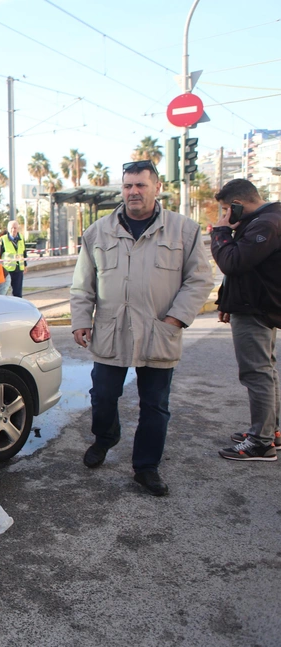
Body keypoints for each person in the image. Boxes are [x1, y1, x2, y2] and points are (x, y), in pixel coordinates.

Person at [71, 160, 214, 496]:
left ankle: (146, 467)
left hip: (158, 331)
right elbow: (82, 283)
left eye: (140, 185)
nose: (133, 192)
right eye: (127, 186)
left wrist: (176, 318)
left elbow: (200, 279)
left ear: (157, 187)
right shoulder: (98, 231)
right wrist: (80, 320)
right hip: (110, 330)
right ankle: (106, 437)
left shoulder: (184, 230)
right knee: (103, 396)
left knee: (155, 404)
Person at [210, 179, 281, 461]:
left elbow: (232, 262)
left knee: (256, 373)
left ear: (237, 206)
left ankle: (261, 442)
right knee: (266, 370)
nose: (225, 214)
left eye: (227, 209)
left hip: (255, 310)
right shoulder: (265, 221)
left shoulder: (265, 224)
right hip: (253, 304)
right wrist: (227, 301)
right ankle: (270, 430)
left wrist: (220, 232)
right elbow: (244, 271)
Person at [0, 220, 27, 298]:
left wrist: (25, 265)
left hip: (18, 269)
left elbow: (24, 252)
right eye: (11, 228)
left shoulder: (21, 238)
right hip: (6, 270)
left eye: (15, 228)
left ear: (18, 228)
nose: (13, 230)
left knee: (18, 292)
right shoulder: (3, 239)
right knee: (4, 291)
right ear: (8, 229)